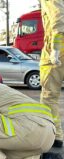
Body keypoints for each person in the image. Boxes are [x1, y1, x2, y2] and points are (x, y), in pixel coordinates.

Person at [40, 0, 64, 148]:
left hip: (57, 50)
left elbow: (59, 19)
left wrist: (55, 48)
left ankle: (54, 135)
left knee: (49, 96)